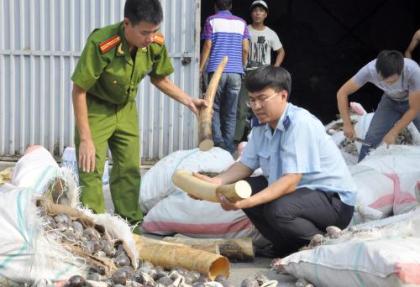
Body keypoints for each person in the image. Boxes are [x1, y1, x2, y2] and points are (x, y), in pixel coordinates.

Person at [195, 66, 356, 257]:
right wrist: (215, 183)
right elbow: (244, 165)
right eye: (252, 100)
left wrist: (247, 202)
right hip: (299, 195)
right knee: (241, 188)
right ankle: (286, 248)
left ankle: (324, 245)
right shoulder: (260, 126)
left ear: (283, 95)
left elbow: (290, 181)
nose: (256, 106)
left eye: (263, 98)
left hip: (332, 203)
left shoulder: (299, 123)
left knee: (277, 209)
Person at [71, 0, 206, 228]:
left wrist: (188, 100)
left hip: (126, 109)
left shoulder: (153, 42)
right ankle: (94, 228)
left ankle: (130, 225)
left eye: (155, 31)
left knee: (129, 169)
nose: (151, 38)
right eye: (145, 32)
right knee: (91, 167)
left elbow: (159, 78)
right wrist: (85, 139)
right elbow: (79, 90)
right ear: (127, 24)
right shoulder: (102, 43)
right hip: (96, 108)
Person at [337, 50, 420, 162]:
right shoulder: (369, 70)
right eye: (384, 80)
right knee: (372, 136)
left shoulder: (413, 71)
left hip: (413, 101)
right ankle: (362, 169)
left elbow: (414, 108)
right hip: (390, 101)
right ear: (378, 71)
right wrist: (347, 124)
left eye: (392, 81)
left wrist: (394, 132)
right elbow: (342, 93)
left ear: (401, 71)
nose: (388, 84)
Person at [200, 0, 250, 154]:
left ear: (215, 6)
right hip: (236, 72)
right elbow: (246, 49)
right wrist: (241, 66)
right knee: (231, 110)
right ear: (231, 6)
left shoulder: (212, 20)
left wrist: (200, 67)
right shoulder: (242, 23)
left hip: (216, 70)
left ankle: (218, 143)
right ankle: (228, 146)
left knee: (213, 107)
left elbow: (208, 45)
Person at [235, 0, 285, 144]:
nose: (258, 13)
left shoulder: (270, 33)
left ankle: (260, 139)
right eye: (255, 10)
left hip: (263, 77)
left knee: (263, 108)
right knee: (242, 109)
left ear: (266, 14)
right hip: (246, 75)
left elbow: (281, 51)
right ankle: (237, 140)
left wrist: (275, 68)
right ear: (251, 13)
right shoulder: (245, 30)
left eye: (261, 11)